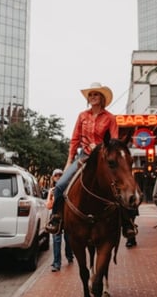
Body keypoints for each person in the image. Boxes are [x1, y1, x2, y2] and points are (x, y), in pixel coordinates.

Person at [45, 82, 136, 239]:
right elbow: (74, 140)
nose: (93, 97)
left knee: (118, 187)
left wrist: (100, 146)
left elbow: (114, 142)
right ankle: (56, 218)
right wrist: (69, 161)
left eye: (96, 95)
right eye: (91, 95)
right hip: (84, 156)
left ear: (101, 98)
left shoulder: (110, 118)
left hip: (103, 158)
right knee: (60, 186)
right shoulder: (82, 116)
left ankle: (127, 223)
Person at [46, 168, 73, 271]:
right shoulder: (52, 191)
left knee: (68, 239)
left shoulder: (67, 189)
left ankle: (69, 255)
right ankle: (57, 263)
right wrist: (50, 195)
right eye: (56, 175)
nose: (58, 177)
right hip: (55, 218)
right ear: (53, 178)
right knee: (56, 240)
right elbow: (48, 206)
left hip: (66, 217)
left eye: (60, 175)